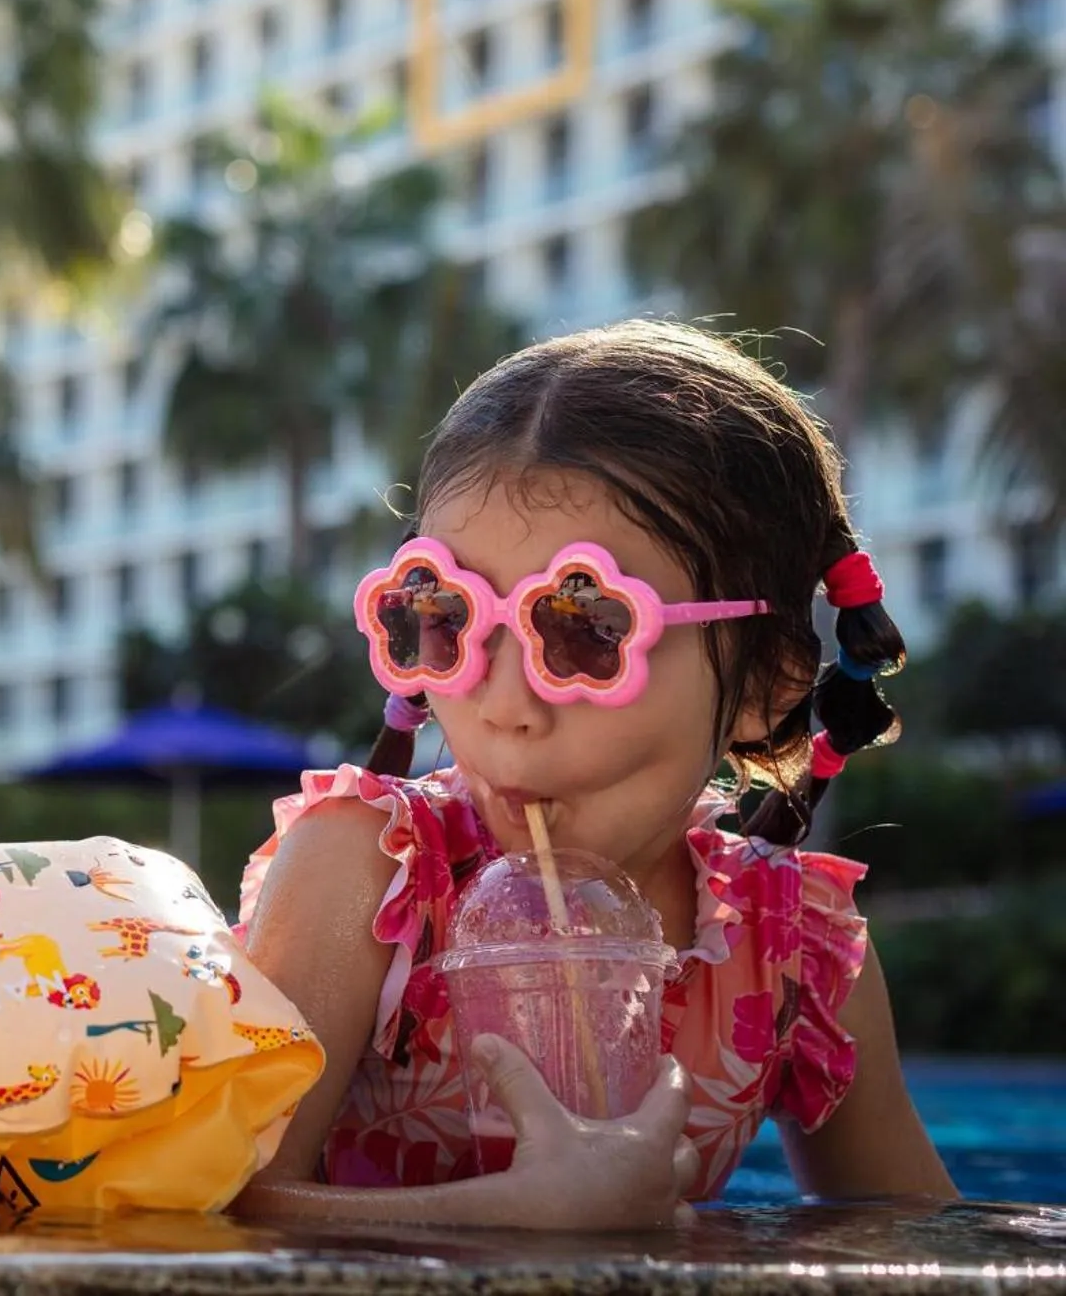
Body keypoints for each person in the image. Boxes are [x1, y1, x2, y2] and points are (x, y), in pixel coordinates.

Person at [234, 321, 958, 1229]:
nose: (505, 707)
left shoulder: (790, 953)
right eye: (447, 617)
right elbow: (219, 1201)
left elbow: (919, 1230)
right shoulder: (371, 874)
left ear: (767, 679)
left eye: (586, 630)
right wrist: (506, 1214)